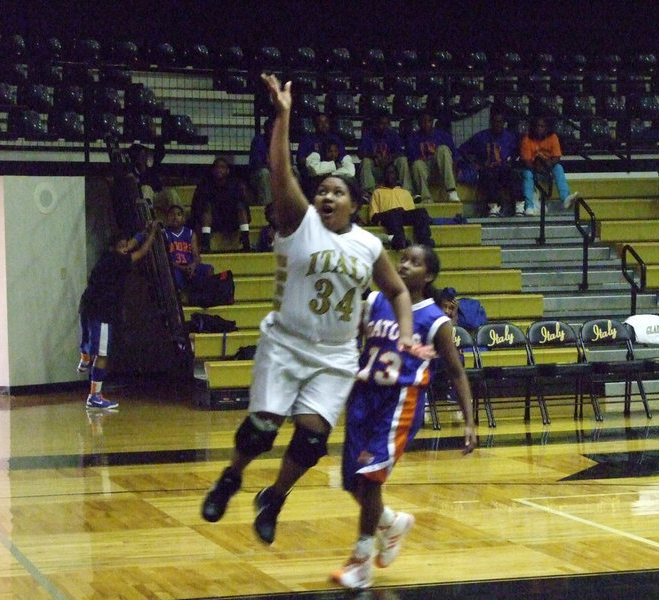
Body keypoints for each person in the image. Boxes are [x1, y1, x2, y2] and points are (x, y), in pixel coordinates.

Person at [201, 73, 421, 546]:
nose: (327, 196)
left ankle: (274, 498)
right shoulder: (299, 222)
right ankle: (230, 478)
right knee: (261, 430)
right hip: (286, 341)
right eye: (322, 190)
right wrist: (282, 116)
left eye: (337, 192)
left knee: (312, 439)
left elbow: (399, 291)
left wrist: (406, 333)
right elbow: (280, 170)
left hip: (336, 353)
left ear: (355, 205)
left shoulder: (367, 245)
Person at [331, 244, 476, 590]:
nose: (405, 265)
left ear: (429, 275)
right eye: (403, 259)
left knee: (370, 478)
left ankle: (360, 564)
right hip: (363, 397)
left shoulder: (435, 320)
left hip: (400, 401)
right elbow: (351, 342)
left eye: (415, 262)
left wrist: (469, 421)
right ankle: (391, 523)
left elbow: (456, 372)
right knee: (353, 481)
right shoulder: (374, 301)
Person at [77, 220, 163, 409]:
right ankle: (94, 396)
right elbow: (141, 252)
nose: (125, 249)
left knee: (88, 340)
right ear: (114, 248)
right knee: (102, 355)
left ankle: (84, 357)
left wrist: (142, 232)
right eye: (121, 246)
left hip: (87, 305)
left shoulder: (106, 256)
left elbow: (130, 244)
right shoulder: (118, 260)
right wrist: (152, 235)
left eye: (125, 246)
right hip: (102, 310)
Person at [459, 107, 521, 217]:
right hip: (487, 170)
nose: (498, 125)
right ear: (491, 122)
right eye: (496, 122)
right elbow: (462, 150)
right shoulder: (481, 137)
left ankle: (519, 205)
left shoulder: (510, 137)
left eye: (500, 122)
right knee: (488, 177)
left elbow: (518, 151)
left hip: (503, 170)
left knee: (514, 176)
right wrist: (474, 163)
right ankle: (494, 207)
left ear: (504, 123)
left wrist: (512, 161)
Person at [190, 157, 252, 252]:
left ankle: (246, 241)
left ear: (227, 171)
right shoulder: (204, 185)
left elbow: (244, 207)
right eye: (217, 167)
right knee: (207, 207)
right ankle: (206, 243)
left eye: (222, 167)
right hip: (213, 222)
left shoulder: (235, 185)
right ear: (212, 170)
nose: (219, 170)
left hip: (231, 221)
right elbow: (196, 208)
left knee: (241, 206)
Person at [519, 116, 579, 216]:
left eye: (542, 126)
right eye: (537, 126)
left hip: (548, 169)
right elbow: (526, 161)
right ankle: (529, 206)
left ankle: (565, 198)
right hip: (534, 170)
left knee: (558, 167)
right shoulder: (527, 139)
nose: (539, 129)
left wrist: (547, 165)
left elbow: (556, 157)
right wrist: (536, 169)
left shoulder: (553, 137)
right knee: (527, 173)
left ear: (547, 128)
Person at [368, 162, 434, 250]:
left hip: (403, 215)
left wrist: (400, 211)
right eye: (387, 173)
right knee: (394, 214)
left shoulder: (405, 192)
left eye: (392, 173)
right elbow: (373, 217)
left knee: (421, 212)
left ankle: (425, 242)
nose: (390, 175)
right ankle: (400, 241)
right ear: (384, 176)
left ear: (397, 176)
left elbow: (411, 212)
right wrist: (392, 211)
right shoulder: (377, 192)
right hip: (388, 217)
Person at [406, 109, 461, 204]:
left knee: (443, 149)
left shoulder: (443, 135)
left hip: (440, 171)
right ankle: (426, 198)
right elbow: (412, 162)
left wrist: (454, 178)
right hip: (424, 173)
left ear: (433, 122)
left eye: (429, 121)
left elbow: (454, 159)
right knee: (417, 164)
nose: (426, 124)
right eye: (423, 121)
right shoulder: (413, 138)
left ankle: (451, 191)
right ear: (419, 123)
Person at [358, 113, 413, 201]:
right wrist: (374, 156)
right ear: (376, 124)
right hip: (375, 169)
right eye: (381, 123)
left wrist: (389, 159)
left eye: (386, 124)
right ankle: (369, 193)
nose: (384, 126)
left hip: (390, 169)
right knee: (365, 161)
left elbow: (399, 152)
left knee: (402, 160)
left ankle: (408, 191)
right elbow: (360, 153)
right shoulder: (368, 135)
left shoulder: (393, 135)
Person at [296, 112, 351, 198]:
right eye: (320, 122)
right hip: (314, 173)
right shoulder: (307, 140)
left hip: (333, 171)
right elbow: (300, 159)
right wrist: (315, 164)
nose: (324, 125)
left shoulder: (335, 139)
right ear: (315, 125)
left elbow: (343, 157)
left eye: (326, 122)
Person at [163, 204, 213, 292]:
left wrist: (193, 265)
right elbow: (165, 259)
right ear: (167, 218)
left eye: (178, 214)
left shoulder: (190, 233)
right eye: (172, 214)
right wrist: (182, 268)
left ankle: (206, 295)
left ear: (183, 218)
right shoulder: (164, 234)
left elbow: (196, 256)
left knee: (209, 269)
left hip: (190, 266)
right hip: (175, 267)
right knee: (172, 276)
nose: (175, 217)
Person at [127, 142, 180, 217]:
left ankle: (178, 218)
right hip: (142, 200)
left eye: (144, 155)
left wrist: (156, 137)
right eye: (142, 155)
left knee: (171, 193)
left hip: (156, 196)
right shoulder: (131, 173)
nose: (144, 158)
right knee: (145, 188)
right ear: (136, 158)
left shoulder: (152, 168)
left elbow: (160, 152)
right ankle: (149, 219)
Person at [248, 118, 273, 206]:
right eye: (271, 128)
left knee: (293, 171)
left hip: (276, 172)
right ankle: (267, 207)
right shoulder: (258, 141)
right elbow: (257, 164)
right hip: (257, 174)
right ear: (266, 130)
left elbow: (289, 161)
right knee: (265, 173)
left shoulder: (281, 141)